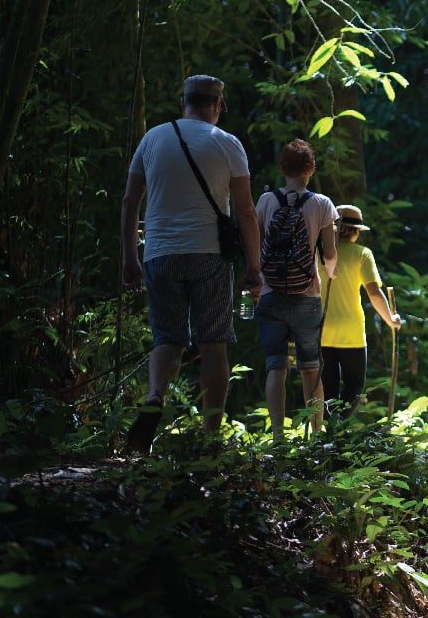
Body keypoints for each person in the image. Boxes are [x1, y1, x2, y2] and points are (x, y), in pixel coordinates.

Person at [121, 74, 262, 453]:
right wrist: (254, 266)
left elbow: (130, 202)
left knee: (168, 339)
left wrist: (129, 257)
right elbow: (246, 210)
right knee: (214, 344)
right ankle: (210, 438)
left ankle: (154, 397)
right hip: (210, 256)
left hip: (160, 254)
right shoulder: (227, 143)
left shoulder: (152, 138)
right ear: (216, 106)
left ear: (183, 102)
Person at [253, 139, 338, 440]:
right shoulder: (322, 203)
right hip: (307, 295)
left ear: (282, 168)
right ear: (311, 169)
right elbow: (329, 254)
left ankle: (277, 436)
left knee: (276, 366)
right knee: (310, 367)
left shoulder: (265, 201)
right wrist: (331, 272)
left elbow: (257, 244)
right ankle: (316, 435)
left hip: (270, 294)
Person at [319, 204, 401, 419]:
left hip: (321, 329)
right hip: (351, 331)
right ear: (356, 231)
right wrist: (390, 319)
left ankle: (327, 432)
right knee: (355, 385)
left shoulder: (319, 252)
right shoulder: (362, 254)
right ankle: (338, 426)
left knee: (328, 389)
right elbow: (373, 292)